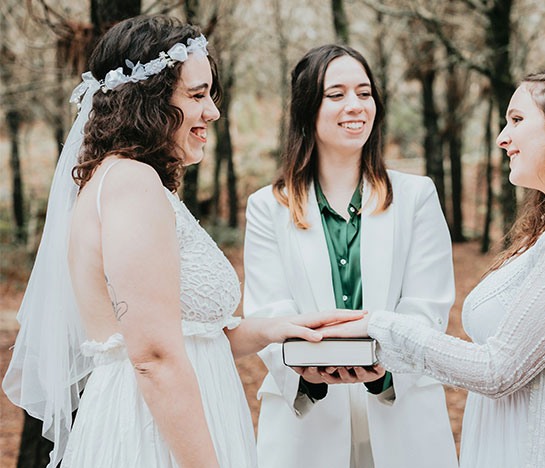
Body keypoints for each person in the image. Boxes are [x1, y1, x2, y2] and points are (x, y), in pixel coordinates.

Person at [2, 16, 361, 468]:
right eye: (196, 95)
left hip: (181, 418)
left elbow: (188, 335)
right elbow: (154, 356)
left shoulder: (133, 183)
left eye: (210, 94)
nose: (212, 111)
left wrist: (279, 328)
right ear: (147, 103)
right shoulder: (131, 184)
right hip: (154, 435)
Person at [321, 67, 545, 467]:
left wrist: (379, 326)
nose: (502, 138)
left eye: (516, 120)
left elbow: (497, 370)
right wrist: (383, 353)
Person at [243, 44, 458, 468]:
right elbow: (269, 309)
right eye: (336, 94)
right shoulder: (268, 206)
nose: (355, 106)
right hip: (306, 424)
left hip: (403, 413)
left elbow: (427, 305)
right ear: (307, 108)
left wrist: (384, 370)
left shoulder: (417, 196)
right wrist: (307, 370)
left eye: (365, 92)